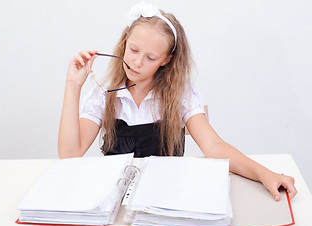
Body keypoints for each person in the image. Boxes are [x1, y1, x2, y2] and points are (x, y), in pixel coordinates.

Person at [58, 2, 297, 201]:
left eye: (150, 57)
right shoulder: (105, 94)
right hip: (116, 201)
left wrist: (264, 174)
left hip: (164, 197)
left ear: (166, 60)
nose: (137, 62)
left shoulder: (179, 94)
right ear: (124, 42)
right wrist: (73, 85)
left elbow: (214, 146)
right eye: (133, 50)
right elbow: (69, 155)